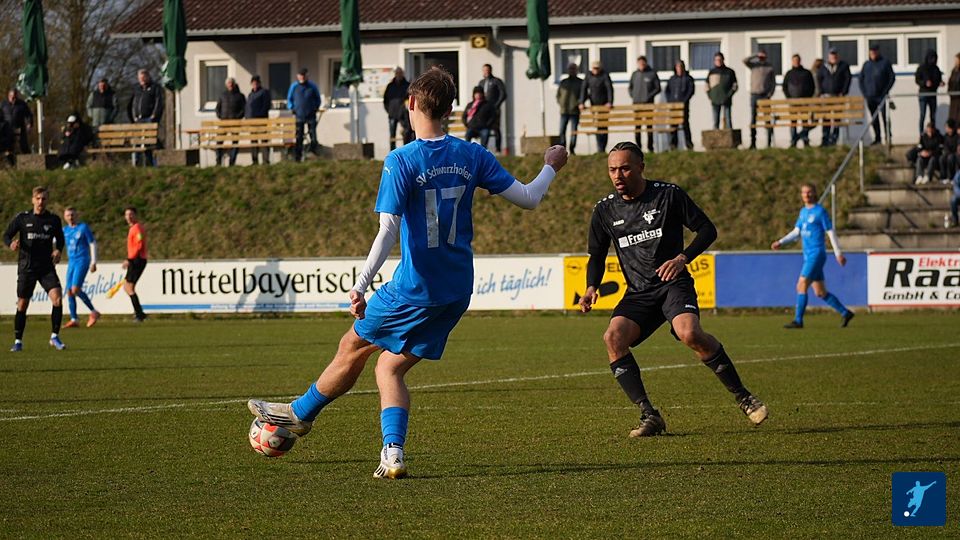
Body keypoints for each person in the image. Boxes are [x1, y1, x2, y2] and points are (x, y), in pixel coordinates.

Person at [247, 67, 569, 479]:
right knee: (389, 367)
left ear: (412, 103)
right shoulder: (473, 155)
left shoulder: (401, 160)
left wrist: (360, 285)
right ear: (450, 109)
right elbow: (528, 198)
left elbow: (388, 229)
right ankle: (393, 452)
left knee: (352, 345)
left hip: (413, 289)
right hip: (456, 291)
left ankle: (299, 414)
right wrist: (551, 165)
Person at [578, 141, 767, 437]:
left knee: (690, 333)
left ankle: (744, 397)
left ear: (641, 167)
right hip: (639, 292)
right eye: (612, 170)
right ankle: (649, 415)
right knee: (613, 338)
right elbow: (597, 254)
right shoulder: (604, 209)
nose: (618, 175)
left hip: (673, 285)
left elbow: (707, 230)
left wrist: (682, 259)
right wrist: (591, 286)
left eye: (625, 168)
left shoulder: (668, 195)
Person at [771, 183, 854, 329]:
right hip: (808, 255)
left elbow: (830, 232)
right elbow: (797, 232)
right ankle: (845, 313)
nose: (806, 195)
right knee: (820, 292)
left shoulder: (820, 211)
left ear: (815, 193)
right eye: (804, 192)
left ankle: (798, 320)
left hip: (816, 254)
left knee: (801, 285)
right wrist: (781, 242)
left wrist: (838, 253)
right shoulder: (803, 212)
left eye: (809, 192)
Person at [3, 186, 66, 352]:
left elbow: (60, 239)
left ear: (47, 200)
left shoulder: (53, 220)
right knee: (22, 304)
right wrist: (11, 244)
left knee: (57, 298)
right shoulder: (23, 218)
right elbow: (6, 235)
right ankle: (18, 341)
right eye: (38, 198)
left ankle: (54, 336)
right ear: (33, 200)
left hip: (46, 267)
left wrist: (58, 250)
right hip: (27, 267)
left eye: (44, 198)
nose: (40, 201)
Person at [61, 207, 100, 329]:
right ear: (64, 217)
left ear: (76, 215)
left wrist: (93, 261)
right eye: (68, 215)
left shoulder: (83, 227)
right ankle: (74, 319)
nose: (70, 217)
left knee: (75, 289)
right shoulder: (65, 230)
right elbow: (54, 241)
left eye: (72, 215)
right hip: (71, 262)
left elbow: (92, 243)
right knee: (69, 291)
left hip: (82, 260)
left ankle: (94, 312)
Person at [859, 45, 895, 145]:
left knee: (885, 117)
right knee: (874, 118)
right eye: (871, 52)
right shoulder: (866, 65)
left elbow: (891, 78)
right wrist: (865, 93)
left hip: (882, 96)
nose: (873, 54)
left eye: (875, 52)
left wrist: (886, 91)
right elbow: (861, 79)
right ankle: (877, 138)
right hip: (870, 96)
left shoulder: (885, 63)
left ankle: (888, 137)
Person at [127, 70, 164, 166]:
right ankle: (137, 163)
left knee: (149, 142)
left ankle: (151, 163)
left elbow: (159, 102)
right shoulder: (136, 89)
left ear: (148, 77)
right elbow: (131, 104)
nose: (142, 80)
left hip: (149, 119)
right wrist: (133, 118)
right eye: (140, 78)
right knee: (137, 142)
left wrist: (154, 115)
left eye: (144, 78)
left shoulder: (155, 87)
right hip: (138, 119)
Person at [287, 68, 323, 162]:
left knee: (313, 137)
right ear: (297, 76)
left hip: (311, 115)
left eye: (304, 75)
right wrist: (292, 108)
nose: (302, 77)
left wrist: (315, 107)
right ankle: (298, 157)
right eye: (300, 75)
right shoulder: (294, 86)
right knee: (299, 137)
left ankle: (313, 154)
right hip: (299, 116)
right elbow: (289, 99)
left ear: (307, 76)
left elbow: (318, 99)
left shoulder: (312, 86)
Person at [818, 48, 852, 146]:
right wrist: (821, 92)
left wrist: (843, 92)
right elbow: (819, 79)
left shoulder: (843, 66)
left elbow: (847, 79)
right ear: (829, 56)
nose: (833, 57)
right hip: (826, 96)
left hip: (838, 96)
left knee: (837, 118)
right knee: (826, 118)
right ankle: (825, 139)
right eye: (832, 55)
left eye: (835, 54)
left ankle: (834, 138)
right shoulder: (824, 67)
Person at [579, 60, 614, 153]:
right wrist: (582, 102)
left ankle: (603, 147)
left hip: (604, 105)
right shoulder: (588, 76)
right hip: (594, 104)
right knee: (597, 125)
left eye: (597, 68)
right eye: (594, 68)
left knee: (604, 126)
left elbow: (609, 89)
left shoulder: (605, 75)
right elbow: (584, 89)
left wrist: (610, 102)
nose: (596, 70)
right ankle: (599, 147)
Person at [120, 207, 148, 322]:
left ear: (135, 215)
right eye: (127, 215)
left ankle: (139, 314)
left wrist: (129, 259)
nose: (129, 217)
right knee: (127, 287)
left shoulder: (137, 228)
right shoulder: (133, 228)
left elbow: (139, 245)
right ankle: (139, 313)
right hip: (135, 259)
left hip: (137, 260)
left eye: (131, 214)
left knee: (129, 287)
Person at [628, 56, 661, 153]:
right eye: (639, 63)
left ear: (646, 63)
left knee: (649, 126)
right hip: (637, 104)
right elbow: (630, 87)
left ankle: (650, 147)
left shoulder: (652, 73)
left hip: (648, 104)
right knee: (637, 126)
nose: (641, 65)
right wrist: (633, 95)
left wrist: (649, 96)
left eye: (643, 63)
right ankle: (638, 148)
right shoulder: (635, 74)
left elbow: (658, 88)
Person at [744, 50, 775, 149]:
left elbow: (773, 82)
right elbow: (744, 60)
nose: (762, 58)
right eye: (760, 56)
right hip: (754, 95)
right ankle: (753, 143)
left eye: (763, 56)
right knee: (753, 119)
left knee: (767, 119)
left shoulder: (769, 67)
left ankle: (769, 143)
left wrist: (770, 94)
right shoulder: (754, 65)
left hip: (765, 95)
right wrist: (755, 55)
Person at [783, 54, 816, 147]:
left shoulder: (806, 73)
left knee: (805, 121)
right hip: (793, 102)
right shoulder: (789, 74)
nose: (796, 62)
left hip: (804, 102)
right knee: (793, 122)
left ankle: (805, 140)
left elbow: (812, 86)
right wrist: (789, 98)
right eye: (794, 60)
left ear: (800, 61)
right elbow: (785, 87)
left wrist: (808, 98)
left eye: (797, 60)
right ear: (792, 61)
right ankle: (793, 141)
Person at [215, 77, 246, 166]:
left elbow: (244, 109)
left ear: (234, 84)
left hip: (235, 122)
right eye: (229, 83)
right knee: (219, 141)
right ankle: (218, 161)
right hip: (223, 122)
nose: (230, 85)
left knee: (235, 142)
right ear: (226, 85)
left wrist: (237, 117)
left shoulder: (240, 96)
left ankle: (232, 162)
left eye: (232, 83)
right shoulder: (222, 95)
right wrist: (220, 116)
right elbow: (217, 108)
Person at [665, 60, 695, 150]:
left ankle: (689, 144)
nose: (679, 69)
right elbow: (667, 91)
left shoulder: (688, 78)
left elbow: (691, 91)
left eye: (681, 66)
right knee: (673, 126)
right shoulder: (672, 79)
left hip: (683, 106)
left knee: (685, 125)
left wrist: (684, 101)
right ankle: (673, 145)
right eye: (678, 67)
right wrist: (670, 101)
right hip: (673, 106)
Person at [477, 64, 507, 153]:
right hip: (484, 110)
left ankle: (498, 149)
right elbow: (478, 94)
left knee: (496, 128)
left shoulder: (497, 81)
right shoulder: (481, 82)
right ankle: (483, 149)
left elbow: (503, 94)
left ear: (490, 70)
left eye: (487, 70)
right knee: (484, 128)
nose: (485, 72)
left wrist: (496, 105)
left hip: (494, 109)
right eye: (484, 70)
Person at [915, 50, 945, 133]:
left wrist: (940, 83)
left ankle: (933, 132)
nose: (933, 60)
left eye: (935, 58)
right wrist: (925, 83)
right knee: (922, 115)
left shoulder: (936, 69)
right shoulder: (922, 68)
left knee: (933, 115)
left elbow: (938, 79)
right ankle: (921, 133)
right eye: (932, 58)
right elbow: (917, 80)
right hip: (923, 94)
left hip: (933, 94)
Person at [383, 67, 413, 151]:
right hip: (392, 113)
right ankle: (392, 151)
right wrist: (388, 110)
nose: (399, 75)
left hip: (404, 114)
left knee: (407, 132)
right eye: (397, 73)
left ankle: (406, 150)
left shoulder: (407, 85)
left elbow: (410, 98)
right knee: (392, 135)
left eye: (400, 73)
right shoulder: (390, 86)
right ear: (395, 74)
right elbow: (385, 100)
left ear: (403, 74)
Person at [706, 52, 738, 130]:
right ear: (714, 61)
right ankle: (716, 136)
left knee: (728, 120)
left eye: (720, 59)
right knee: (715, 121)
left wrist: (729, 95)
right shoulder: (711, 72)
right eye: (716, 60)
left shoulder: (730, 72)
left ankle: (729, 136)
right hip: (715, 100)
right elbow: (707, 86)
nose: (718, 61)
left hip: (727, 99)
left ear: (723, 60)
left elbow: (735, 86)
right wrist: (710, 96)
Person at [246, 75, 272, 165]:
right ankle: (255, 161)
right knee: (253, 141)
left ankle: (265, 161)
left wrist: (259, 115)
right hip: (252, 121)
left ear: (259, 83)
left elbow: (266, 106)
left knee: (264, 141)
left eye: (256, 83)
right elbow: (248, 107)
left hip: (262, 120)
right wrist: (248, 117)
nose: (255, 85)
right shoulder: (250, 95)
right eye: (253, 84)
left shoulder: (264, 92)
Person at [1, 89, 33, 154]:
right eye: (12, 97)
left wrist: (29, 123)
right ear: (8, 96)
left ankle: (28, 157)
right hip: (7, 128)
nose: (13, 99)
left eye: (15, 97)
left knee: (24, 145)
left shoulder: (22, 104)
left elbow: (29, 114)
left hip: (19, 127)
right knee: (8, 146)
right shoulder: (3, 104)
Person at [949, 53, 960, 124]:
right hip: (953, 97)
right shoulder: (954, 70)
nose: (955, 62)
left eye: (957, 60)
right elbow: (951, 81)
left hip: (958, 96)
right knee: (953, 115)